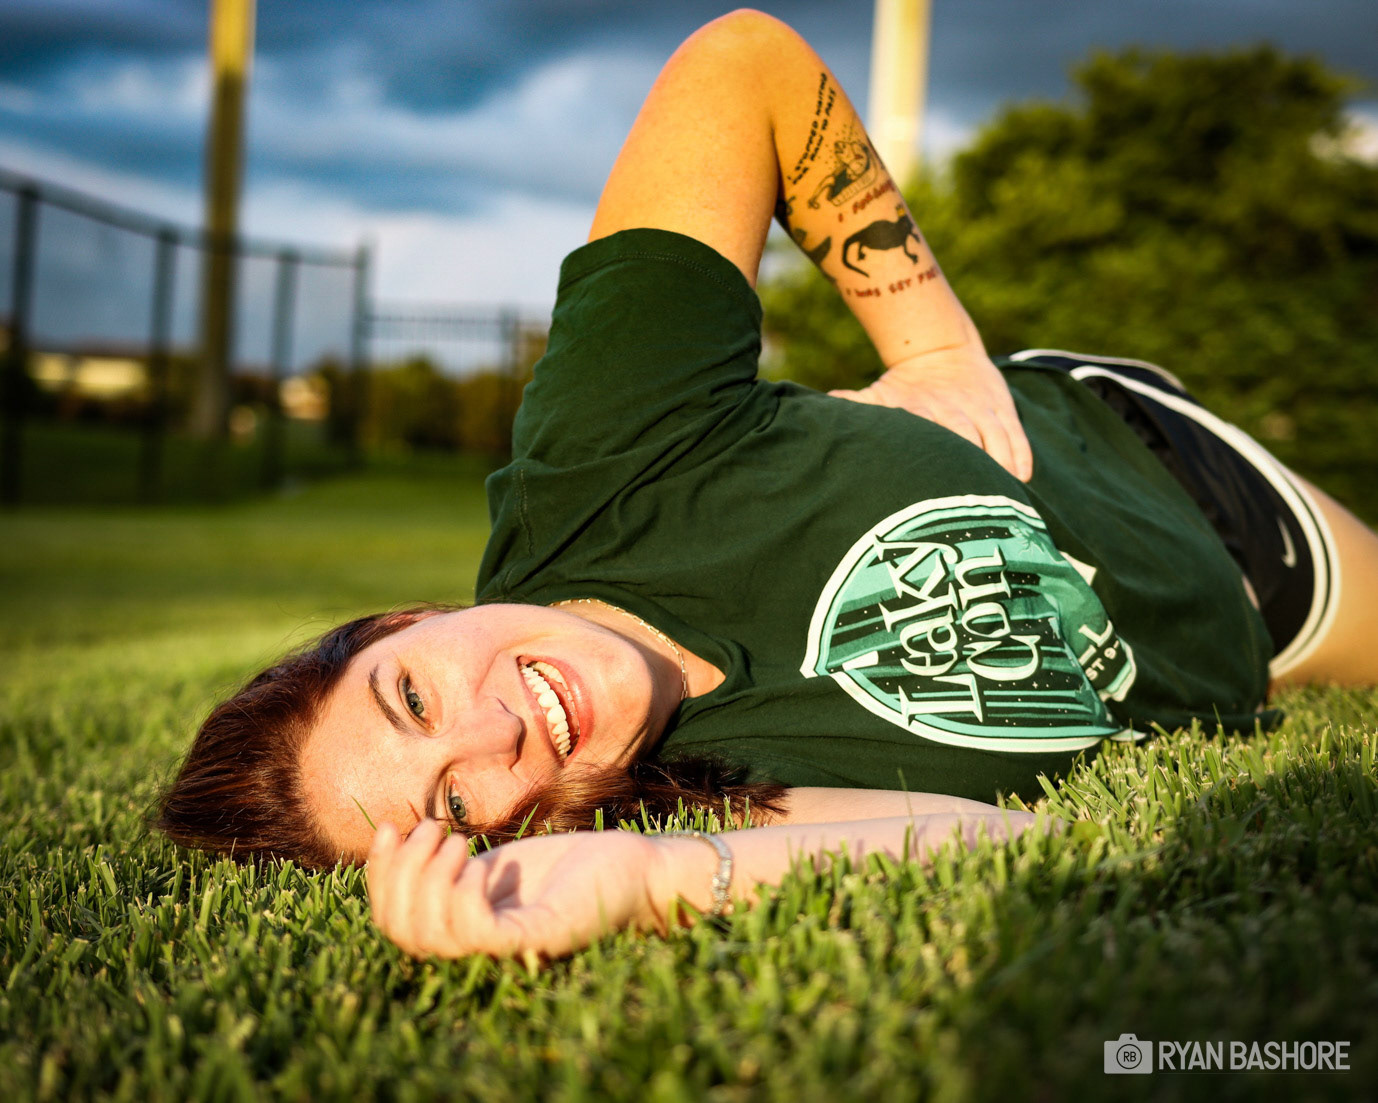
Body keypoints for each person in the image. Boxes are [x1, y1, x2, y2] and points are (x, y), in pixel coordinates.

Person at [158, 10, 1378, 961]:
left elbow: (744, 67)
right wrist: (648, 879)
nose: (496, 734)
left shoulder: (601, 451)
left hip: (1169, 470)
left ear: (405, 619)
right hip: (1245, 648)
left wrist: (933, 350)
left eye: (414, 695)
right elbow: (1019, 838)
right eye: (460, 805)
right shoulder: (673, 805)